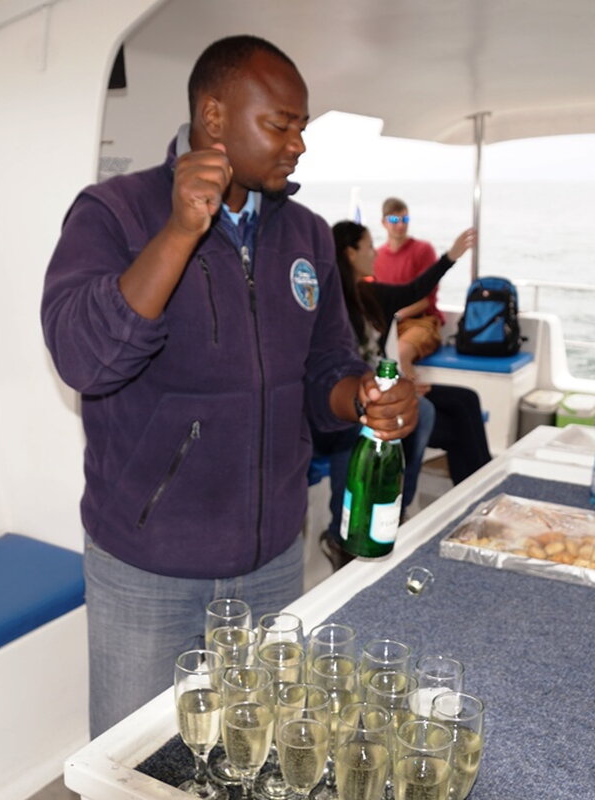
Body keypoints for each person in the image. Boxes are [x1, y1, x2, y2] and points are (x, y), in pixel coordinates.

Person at [40, 35, 419, 738]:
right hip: (148, 565)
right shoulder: (113, 212)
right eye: (281, 124)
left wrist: (366, 398)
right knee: (132, 764)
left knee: (255, 756)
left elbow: (326, 371)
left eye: (302, 126)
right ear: (214, 117)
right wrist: (180, 232)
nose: (298, 145)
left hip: (272, 559)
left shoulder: (307, 235)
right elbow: (84, 361)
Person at [316, 221, 491, 570]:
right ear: (349, 253)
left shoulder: (370, 295)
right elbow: (332, 367)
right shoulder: (331, 303)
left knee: (465, 401)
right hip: (354, 400)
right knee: (424, 412)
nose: (375, 253)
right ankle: (383, 515)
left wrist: (450, 257)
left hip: (386, 387)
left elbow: (416, 289)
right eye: (369, 246)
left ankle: (476, 502)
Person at [373, 197, 445, 362]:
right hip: (389, 324)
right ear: (384, 222)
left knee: (399, 355)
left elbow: (426, 300)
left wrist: (397, 315)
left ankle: (409, 379)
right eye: (394, 220)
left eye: (404, 219)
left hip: (421, 322)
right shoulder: (376, 256)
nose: (400, 225)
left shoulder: (423, 250)